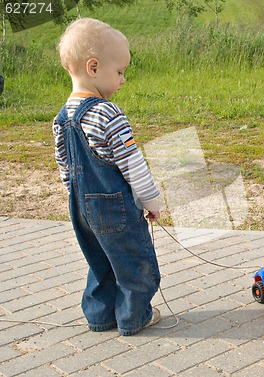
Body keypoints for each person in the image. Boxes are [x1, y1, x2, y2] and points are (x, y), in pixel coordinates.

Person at [52, 18, 161, 336]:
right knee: (134, 262)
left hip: (80, 207)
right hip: (114, 207)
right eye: (120, 71)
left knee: (100, 261)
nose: (123, 80)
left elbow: (64, 167)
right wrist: (150, 200)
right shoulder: (107, 113)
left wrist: (77, 199)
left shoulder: (61, 118)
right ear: (94, 67)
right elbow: (132, 163)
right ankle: (134, 317)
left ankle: (100, 317)